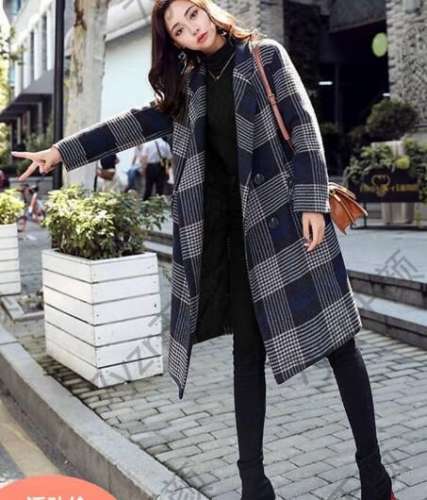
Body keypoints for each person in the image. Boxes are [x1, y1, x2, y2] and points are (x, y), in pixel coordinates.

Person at [11, 2, 397, 499]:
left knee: (341, 346)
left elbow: (304, 127)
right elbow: (131, 125)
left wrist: (311, 202)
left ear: (208, 10)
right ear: (174, 42)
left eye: (193, 15)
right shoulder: (189, 86)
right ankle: (254, 486)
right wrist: (60, 152)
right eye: (178, 29)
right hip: (236, 240)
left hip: (290, 224)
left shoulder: (264, 56)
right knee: (246, 356)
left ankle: (375, 481)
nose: (191, 29)